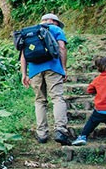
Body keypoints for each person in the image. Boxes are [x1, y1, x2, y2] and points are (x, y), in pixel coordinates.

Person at [21, 13, 70, 145]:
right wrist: (64, 68)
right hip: (53, 68)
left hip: (34, 71)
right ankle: (60, 130)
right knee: (57, 98)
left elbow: (23, 55)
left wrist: (24, 74)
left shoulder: (30, 32)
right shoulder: (56, 30)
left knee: (40, 101)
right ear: (55, 22)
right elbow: (62, 48)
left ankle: (42, 134)